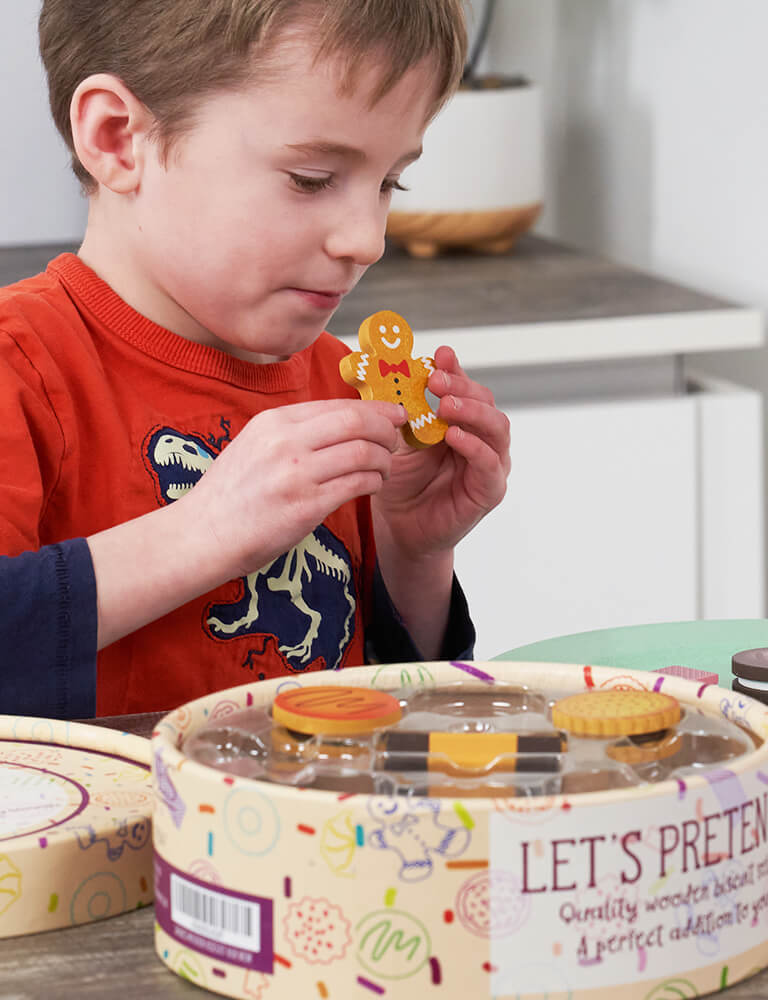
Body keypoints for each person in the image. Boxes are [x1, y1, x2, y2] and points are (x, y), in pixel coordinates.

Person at [0, 0, 511, 719]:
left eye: (391, 182)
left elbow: (396, 711)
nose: (367, 239)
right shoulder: (21, 366)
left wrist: (413, 553)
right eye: (310, 178)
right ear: (118, 140)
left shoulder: (344, 383)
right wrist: (201, 534)